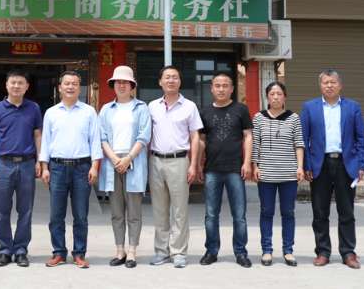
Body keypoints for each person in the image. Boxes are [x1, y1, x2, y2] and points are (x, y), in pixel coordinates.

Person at [300, 69, 364, 269]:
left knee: (346, 211)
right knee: (320, 211)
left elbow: (360, 138)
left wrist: (361, 164)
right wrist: (306, 165)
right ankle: (323, 252)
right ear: (320, 85)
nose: (329, 86)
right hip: (319, 164)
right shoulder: (309, 107)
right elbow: (303, 139)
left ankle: (348, 252)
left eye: (333, 82)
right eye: (325, 82)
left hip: (346, 164)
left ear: (340, 85)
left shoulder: (352, 107)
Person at [39, 71, 102, 269]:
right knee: (56, 215)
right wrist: (44, 167)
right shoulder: (51, 112)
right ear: (60, 87)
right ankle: (58, 252)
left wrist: (94, 166)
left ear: (79, 87)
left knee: (81, 215)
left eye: (74, 83)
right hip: (57, 167)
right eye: (67, 83)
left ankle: (79, 253)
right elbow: (46, 142)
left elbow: (95, 140)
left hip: (82, 168)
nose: (70, 87)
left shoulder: (89, 112)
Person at [0, 69, 43, 267]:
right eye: (13, 82)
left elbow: (38, 135)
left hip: (27, 163)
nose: (16, 86)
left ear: (27, 86)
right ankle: (4, 250)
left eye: (20, 83)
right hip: (3, 163)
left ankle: (20, 250)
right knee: (2, 209)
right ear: (6, 85)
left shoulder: (33, 108)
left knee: (26, 209)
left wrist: (39, 161)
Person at [147, 66, 203, 268]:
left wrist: (193, 164)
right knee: (159, 210)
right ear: (160, 82)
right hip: (155, 161)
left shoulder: (189, 106)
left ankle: (178, 252)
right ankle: (161, 252)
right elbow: (146, 136)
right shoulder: (152, 106)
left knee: (180, 210)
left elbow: (195, 136)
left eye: (175, 77)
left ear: (180, 81)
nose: (171, 80)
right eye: (167, 77)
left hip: (179, 161)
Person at [97, 65, 151, 269]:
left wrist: (128, 158)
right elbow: (101, 137)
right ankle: (120, 250)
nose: (121, 85)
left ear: (132, 85)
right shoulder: (106, 109)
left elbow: (144, 136)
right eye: (118, 82)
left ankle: (132, 251)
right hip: (112, 162)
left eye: (125, 82)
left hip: (134, 161)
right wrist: (114, 158)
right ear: (113, 85)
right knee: (117, 211)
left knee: (134, 212)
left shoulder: (141, 108)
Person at [198, 73, 253, 268]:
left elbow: (248, 136)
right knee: (211, 215)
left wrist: (247, 163)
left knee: (239, 215)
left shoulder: (241, 109)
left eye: (225, 85)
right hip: (212, 169)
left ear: (232, 89)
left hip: (235, 169)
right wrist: (198, 164)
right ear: (212, 88)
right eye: (217, 85)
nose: (221, 89)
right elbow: (201, 140)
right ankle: (211, 251)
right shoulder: (204, 111)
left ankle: (241, 252)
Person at [252, 81, 304, 267]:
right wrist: (255, 166)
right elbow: (255, 143)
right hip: (266, 173)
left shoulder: (294, 118)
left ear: (285, 97)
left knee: (288, 213)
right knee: (266, 212)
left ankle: (288, 251)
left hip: (288, 174)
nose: (275, 97)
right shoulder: (258, 118)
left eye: (279, 94)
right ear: (267, 97)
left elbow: (299, 144)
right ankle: (267, 250)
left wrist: (300, 167)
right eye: (272, 94)